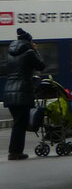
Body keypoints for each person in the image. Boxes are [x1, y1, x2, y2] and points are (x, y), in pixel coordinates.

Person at [4, 28, 46, 161]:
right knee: (20, 124)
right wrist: (35, 49)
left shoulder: (10, 53)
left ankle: (14, 151)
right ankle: (15, 153)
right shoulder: (29, 52)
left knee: (18, 123)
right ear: (29, 41)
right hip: (22, 92)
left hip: (9, 92)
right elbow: (41, 66)